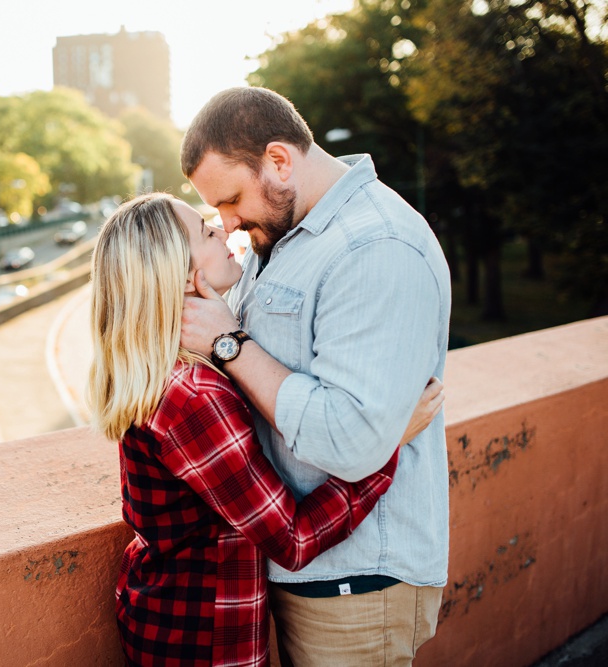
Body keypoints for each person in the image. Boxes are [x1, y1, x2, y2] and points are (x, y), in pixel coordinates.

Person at [87, 192, 444, 666]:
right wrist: (387, 443)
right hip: (203, 642)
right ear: (177, 271)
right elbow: (292, 541)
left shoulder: (175, 373)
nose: (223, 229)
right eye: (204, 231)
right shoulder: (193, 398)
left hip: (173, 622)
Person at [179, 86, 452, 666]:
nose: (225, 225)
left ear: (279, 161)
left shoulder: (376, 246)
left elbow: (351, 443)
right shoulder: (279, 233)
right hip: (298, 565)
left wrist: (228, 343)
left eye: (230, 200)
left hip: (355, 579)